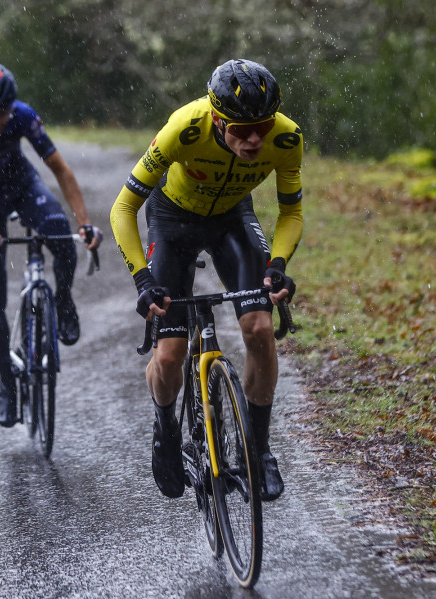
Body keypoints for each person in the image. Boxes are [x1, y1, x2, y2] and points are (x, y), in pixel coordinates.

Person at [110, 58, 302, 501]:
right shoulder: (185, 127)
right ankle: (166, 430)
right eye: (241, 128)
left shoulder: (286, 137)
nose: (255, 139)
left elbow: (291, 211)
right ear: (217, 118)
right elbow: (123, 208)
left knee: (258, 328)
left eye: (263, 126)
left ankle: (259, 449)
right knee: (171, 354)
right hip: (172, 220)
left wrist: (278, 263)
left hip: (233, 219)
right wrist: (143, 279)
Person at [0, 61, 103, 427]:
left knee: (59, 232)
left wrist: (84, 222)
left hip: (21, 187)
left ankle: (63, 300)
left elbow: (60, 169)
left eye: (3, 113)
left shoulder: (22, 116)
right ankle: (7, 385)